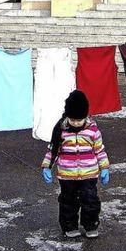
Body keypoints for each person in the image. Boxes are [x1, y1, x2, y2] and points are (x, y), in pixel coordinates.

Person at [41, 90, 110, 238]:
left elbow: (100, 150)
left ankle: (91, 225)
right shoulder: (61, 131)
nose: (77, 123)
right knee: (68, 201)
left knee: (90, 200)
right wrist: (47, 166)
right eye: (73, 120)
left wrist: (104, 167)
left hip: (88, 174)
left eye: (80, 120)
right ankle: (69, 225)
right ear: (68, 116)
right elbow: (52, 150)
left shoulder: (93, 131)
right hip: (67, 175)